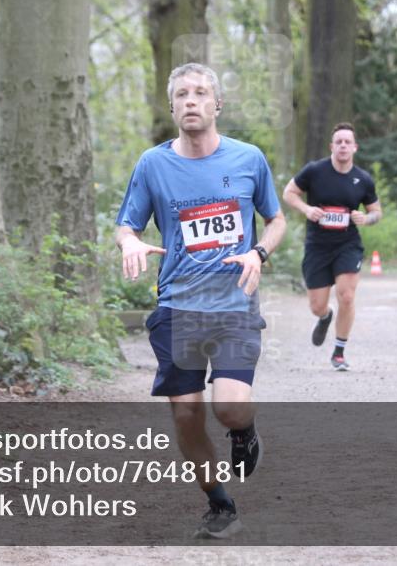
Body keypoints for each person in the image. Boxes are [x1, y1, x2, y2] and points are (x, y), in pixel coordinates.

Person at [116, 63, 286, 539]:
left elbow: (276, 220)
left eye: (201, 93)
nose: (191, 101)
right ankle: (219, 503)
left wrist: (259, 252)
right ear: (172, 107)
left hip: (234, 304)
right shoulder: (153, 165)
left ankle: (243, 431)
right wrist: (128, 242)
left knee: (228, 409)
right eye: (182, 95)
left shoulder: (248, 159)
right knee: (186, 415)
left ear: (217, 105)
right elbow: (126, 224)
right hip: (177, 306)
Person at [282, 122, 381, 372]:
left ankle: (339, 352)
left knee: (347, 296)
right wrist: (307, 209)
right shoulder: (315, 171)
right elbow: (289, 193)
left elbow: (376, 211)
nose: (343, 146)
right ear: (332, 146)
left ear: (355, 147)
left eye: (348, 142)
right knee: (316, 305)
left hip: (348, 244)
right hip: (317, 246)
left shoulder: (363, 179)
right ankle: (325, 317)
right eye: (339, 142)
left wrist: (366, 219)